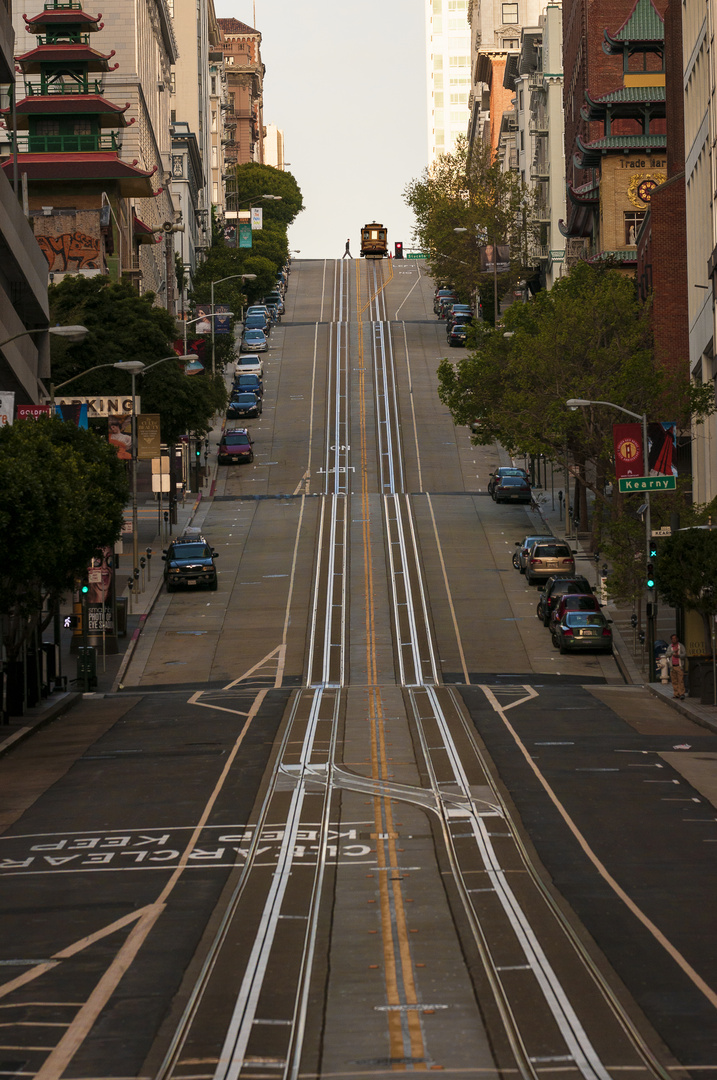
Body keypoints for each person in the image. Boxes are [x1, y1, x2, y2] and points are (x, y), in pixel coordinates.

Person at [669, 634, 686, 699]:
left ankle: (681, 693)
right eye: (673, 639)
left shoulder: (680, 646)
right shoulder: (670, 647)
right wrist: (673, 652)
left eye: (675, 638)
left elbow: (684, 654)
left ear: (677, 639)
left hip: (679, 666)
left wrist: (678, 656)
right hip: (672, 666)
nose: (674, 640)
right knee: (674, 681)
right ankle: (676, 694)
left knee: (680, 680)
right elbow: (667, 654)